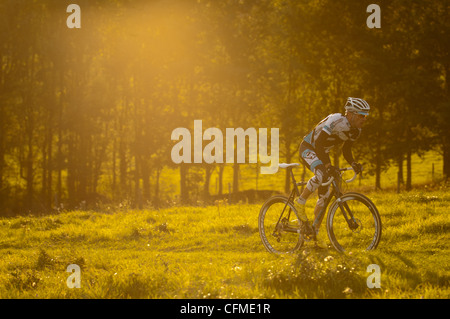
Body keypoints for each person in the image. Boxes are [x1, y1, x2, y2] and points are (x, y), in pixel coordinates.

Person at [293, 97, 370, 248]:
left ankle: (313, 233)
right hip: (309, 148)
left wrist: (353, 163)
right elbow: (319, 143)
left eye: (366, 116)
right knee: (322, 174)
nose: (364, 119)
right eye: (362, 115)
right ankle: (300, 202)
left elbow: (346, 150)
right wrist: (327, 165)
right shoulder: (336, 120)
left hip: (322, 152)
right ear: (351, 114)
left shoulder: (356, 131)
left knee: (324, 198)